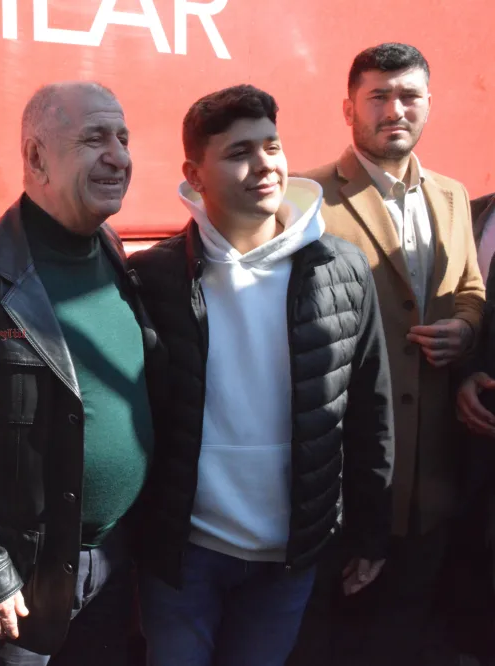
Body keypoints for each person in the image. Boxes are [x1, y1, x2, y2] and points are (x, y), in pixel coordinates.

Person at [127, 84, 394, 666]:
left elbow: (370, 409)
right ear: (194, 175)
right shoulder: (154, 278)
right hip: (184, 555)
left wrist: (371, 531)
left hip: (288, 558)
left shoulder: (342, 269)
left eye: (271, 145)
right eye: (239, 152)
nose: (264, 164)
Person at [0, 81, 161, 666]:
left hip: (115, 565)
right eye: (95, 139)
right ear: (36, 157)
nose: (119, 157)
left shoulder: (111, 250)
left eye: (124, 139)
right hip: (21, 581)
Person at [297, 43, 485, 666]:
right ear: (348, 108)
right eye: (378, 96)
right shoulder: (306, 197)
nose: (395, 110)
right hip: (345, 478)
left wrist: (464, 328)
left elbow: (469, 288)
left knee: (405, 634)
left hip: (432, 480)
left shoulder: (452, 196)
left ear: (429, 104)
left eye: (409, 96)